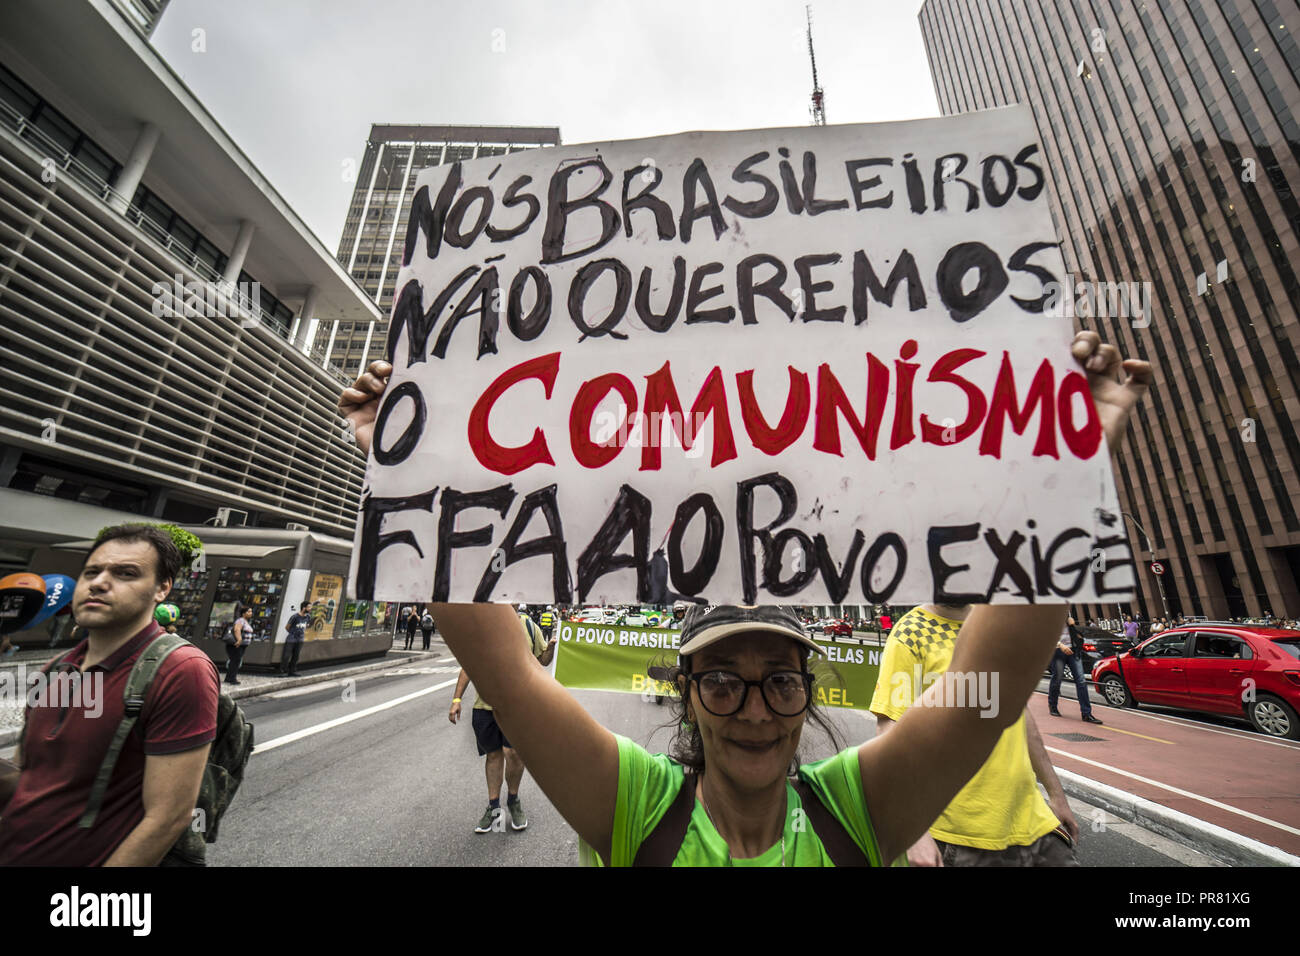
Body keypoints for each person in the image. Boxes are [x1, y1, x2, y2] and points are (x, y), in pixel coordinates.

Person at [340, 330, 1151, 865]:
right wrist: (403, 470)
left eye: (781, 679)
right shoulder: (632, 806)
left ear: (808, 694)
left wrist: (1071, 469)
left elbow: (993, 692)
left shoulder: (855, 813)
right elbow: (506, 673)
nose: (756, 709)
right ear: (687, 697)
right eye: (723, 681)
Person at [0, 524, 220, 865]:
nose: (99, 582)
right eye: (92, 571)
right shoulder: (56, 669)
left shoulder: (180, 670)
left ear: (162, 588)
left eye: (126, 573)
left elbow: (167, 819)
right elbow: (28, 779)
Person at [870, 604, 1079, 866]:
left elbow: (1021, 714)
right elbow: (888, 731)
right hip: (961, 835)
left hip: (1036, 823)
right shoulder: (909, 634)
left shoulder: (997, 623)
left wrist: (1057, 795)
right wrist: (914, 834)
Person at [448, 611, 557, 833]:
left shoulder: (528, 626)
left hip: (518, 707)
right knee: (494, 755)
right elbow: (469, 666)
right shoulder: (482, 627)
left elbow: (542, 660)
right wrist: (457, 698)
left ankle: (514, 800)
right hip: (484, 707)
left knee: (513, 753)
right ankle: (494, 806)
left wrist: (551, 648)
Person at [1048, 616, 1102, 724]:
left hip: (1073, 650)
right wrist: (1060, 645)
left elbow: (1073, 632)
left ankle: (1086, 713)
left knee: (1081, 681)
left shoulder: (1067, 616)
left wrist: (1072, 625)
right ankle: (1053, 705)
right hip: (1058, 651)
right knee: (1057, 679)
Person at [281, 601, 313, 676]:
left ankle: (292, 671)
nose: (310, 609)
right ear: (304, 608)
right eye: (309, 607)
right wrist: (293, 633)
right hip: (291, 639)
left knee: (296, 656)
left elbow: (306, 625)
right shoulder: (295, 616)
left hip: (300, 639)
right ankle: (283, 671)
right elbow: (287, 627)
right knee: (286, 656)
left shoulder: (308, 617)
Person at [225, 605, 254, 685]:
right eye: (249, 611)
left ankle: (230, 677)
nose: (251, 613)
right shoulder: (240, 620)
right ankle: (231, 678)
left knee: (236, 661)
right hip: (238, 644)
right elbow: (237, 629)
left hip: (242, 645)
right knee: (235, 661)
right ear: (243, 613)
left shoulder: (245, 621)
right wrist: (239, 640)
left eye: (251, 611)